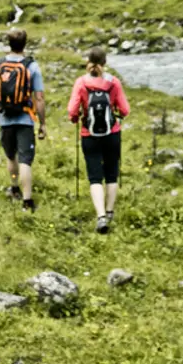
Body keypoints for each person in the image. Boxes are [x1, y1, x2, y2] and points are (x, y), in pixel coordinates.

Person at [68, 47, 131, 233]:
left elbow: (72, 110)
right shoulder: (113, 83)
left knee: (95, 177)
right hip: (112, 133)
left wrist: (76, 118)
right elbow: (125, 110)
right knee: (112, 173)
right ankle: (110, 211)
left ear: (88, 61)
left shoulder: (81, 83)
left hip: (89, 134)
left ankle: (101, 217)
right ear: (105, 62)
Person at [0, 29, 46, 212]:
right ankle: (27, 202)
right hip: (25, 119)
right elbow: (40, 98)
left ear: (9, 43)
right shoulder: (32, 66)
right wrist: (42, 123)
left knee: (11, 156)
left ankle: (14, 188)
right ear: (25, 44)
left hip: (5, 118)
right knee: (25, 161)